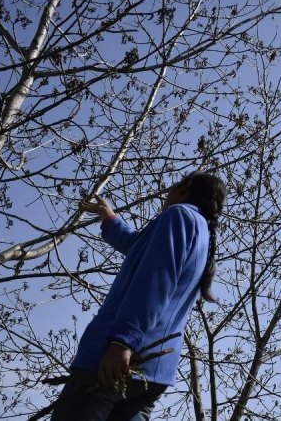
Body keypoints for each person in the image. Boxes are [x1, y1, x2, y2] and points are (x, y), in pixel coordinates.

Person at [50, 171, 227, 421]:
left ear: (185, 187)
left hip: (114, 361)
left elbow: (155, 281)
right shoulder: (201, 233)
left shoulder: (178, 216)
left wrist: (123, 342)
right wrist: (109, 219)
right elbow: (141, 249)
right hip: (152, 372)